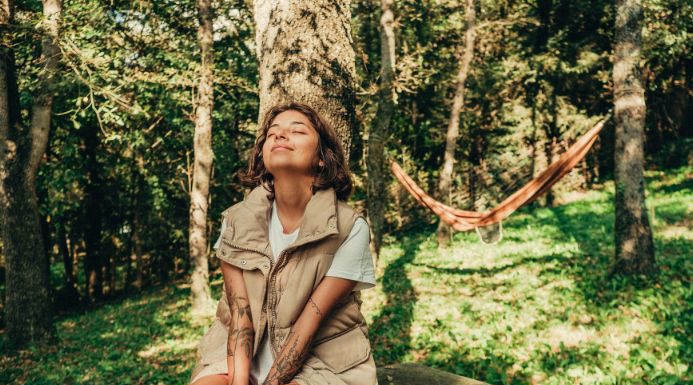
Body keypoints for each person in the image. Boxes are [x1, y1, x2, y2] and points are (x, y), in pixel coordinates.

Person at [189, 102, 378, 385]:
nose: (279, 136)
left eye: (297, 131)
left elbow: (308, 325)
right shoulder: (235, 222)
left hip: (322, 359)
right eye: (272, 133)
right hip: (237, 354)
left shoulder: (349, 228)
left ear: (322, 158)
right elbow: (240, 319)